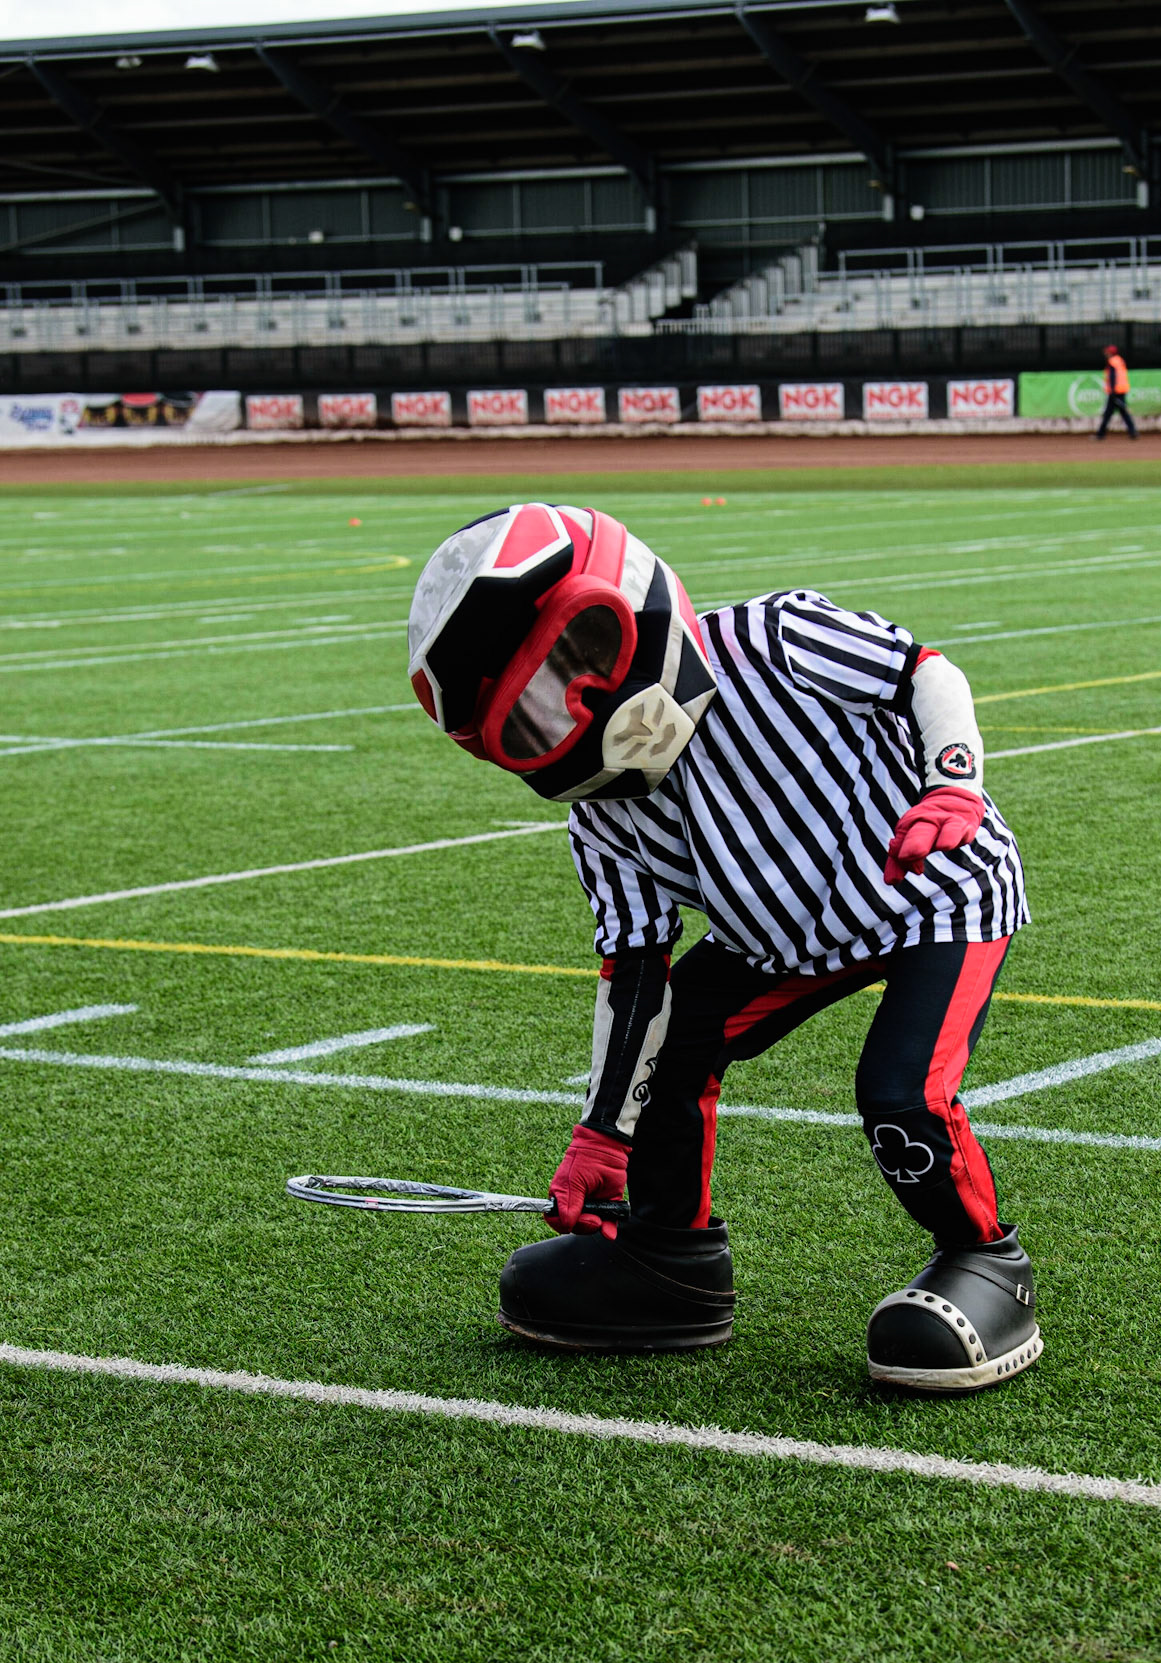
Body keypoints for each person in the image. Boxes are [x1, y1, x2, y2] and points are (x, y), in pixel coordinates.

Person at [407, 504, 1041, 1396]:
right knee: (673, 1050)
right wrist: (600, 1134)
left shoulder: (774, 637)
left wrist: (952, 783)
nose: (580, 703)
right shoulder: (602, 817)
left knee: (900, 1091)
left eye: (581, 654)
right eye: (537, 710)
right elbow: (636, 976)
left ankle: (987, 1261)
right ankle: (672, 1262)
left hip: (932, 884)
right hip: (779, 935)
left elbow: (922, 673)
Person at [1097, 343, 1137, 440]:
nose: (1106, 353)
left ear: (1111, 352)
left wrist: (1113, 391)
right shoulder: (1119, 360)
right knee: (1121, 412)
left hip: (1115, 391)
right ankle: (1133, 432)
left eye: (1108, 351)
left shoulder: (1112, 362)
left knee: (1109, 413)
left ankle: (1101, 434)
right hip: (1121, 390)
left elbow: (1113, 377)